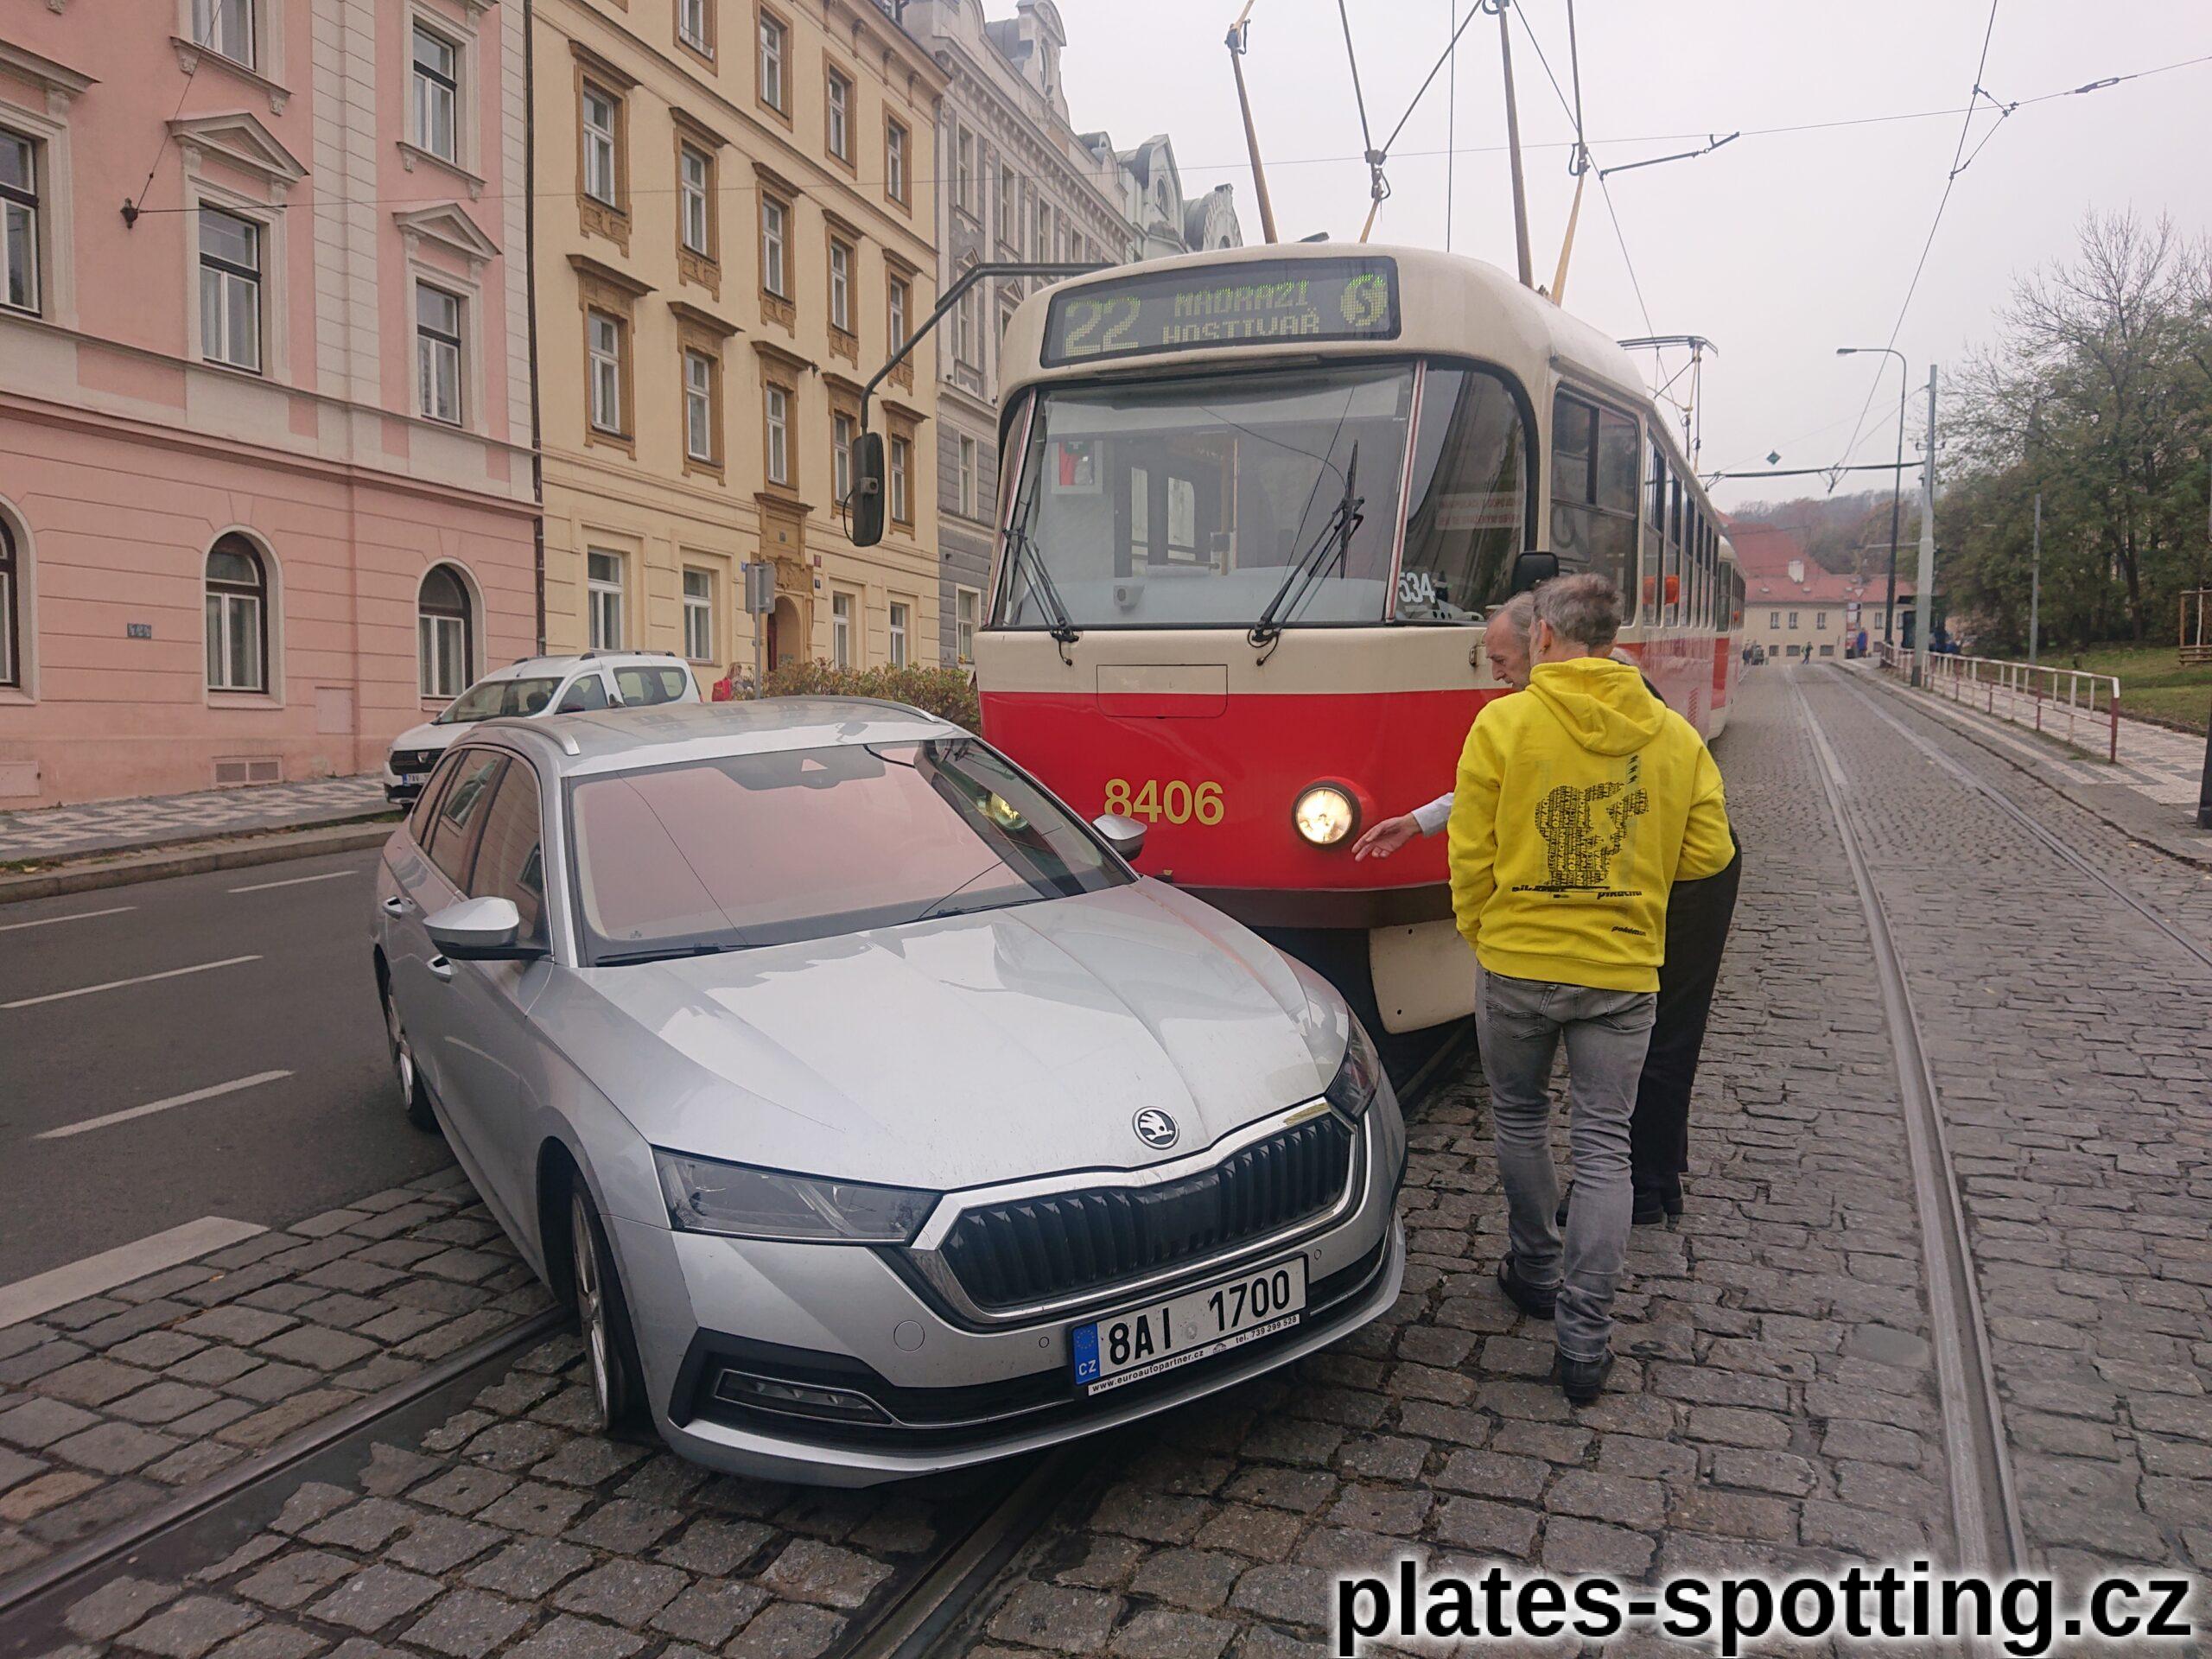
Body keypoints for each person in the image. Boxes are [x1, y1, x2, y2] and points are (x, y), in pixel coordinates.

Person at [1447, 573, 1735, 1402]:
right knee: (1606, 1146)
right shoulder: (1674, 736)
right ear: (1614, 639)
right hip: (1620, 970)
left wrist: (1485, 933)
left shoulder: (1503, 723)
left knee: (1521, 1118)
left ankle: (1535, 1271)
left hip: (1518, 961)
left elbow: (1469, 850)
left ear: (1543, 636)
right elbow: (1708, 854)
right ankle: (1583, 1343)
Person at [1352, 593, 1535, 862]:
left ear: (1539, 645)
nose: (1496, 674)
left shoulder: (1514, 715)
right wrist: (1414, 822)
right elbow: (1484, 790)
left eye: (1501, 660)